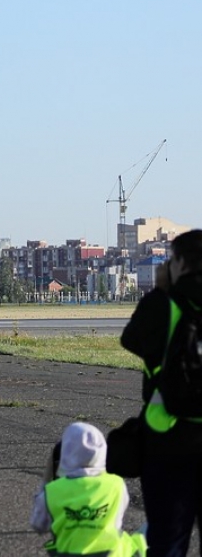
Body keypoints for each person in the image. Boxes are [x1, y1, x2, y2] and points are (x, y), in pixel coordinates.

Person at [120, 228, 202, 557]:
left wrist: (160, 290)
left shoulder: (165, 305)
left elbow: (132, 340)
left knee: (168, 542)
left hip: (168, 444)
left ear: (179, 262)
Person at [30, 421, 147, 556]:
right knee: (154, 527)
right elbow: (116, 524)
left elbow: (38, 525)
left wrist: (46, 480)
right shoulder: (117, 484)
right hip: (111, 553)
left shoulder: (52, 491)